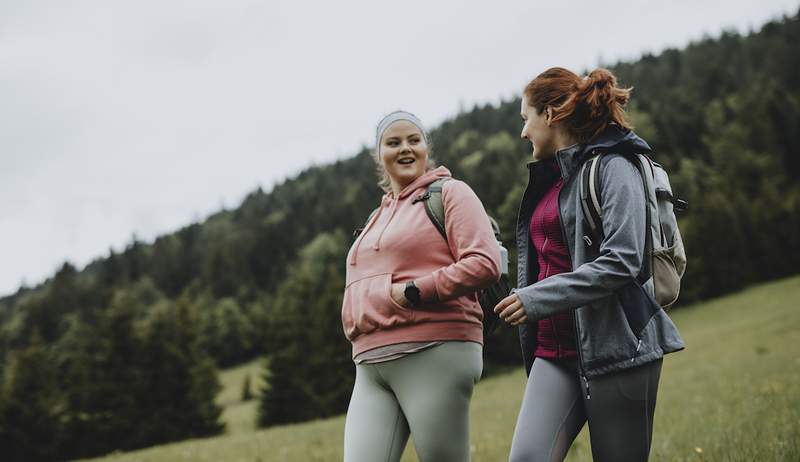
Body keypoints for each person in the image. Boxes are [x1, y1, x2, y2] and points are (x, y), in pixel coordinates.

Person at [493, 68, 685, 462]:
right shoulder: (551, 179)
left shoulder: (616, 165)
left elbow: (622, 261)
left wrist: (537, 298)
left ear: (550, 114)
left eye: (525, 118)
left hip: (617, 349)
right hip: (554, 352)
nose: (523, 132)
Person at [341, 110, 501, 462]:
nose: (405, 148)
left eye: (414, 140)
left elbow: (485, 263)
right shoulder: (377, 215)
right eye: (393, 142)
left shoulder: (450, 194)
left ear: (427, 148)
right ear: (378, 154)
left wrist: (414, 290)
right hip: (370, 363)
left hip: (435, 351)